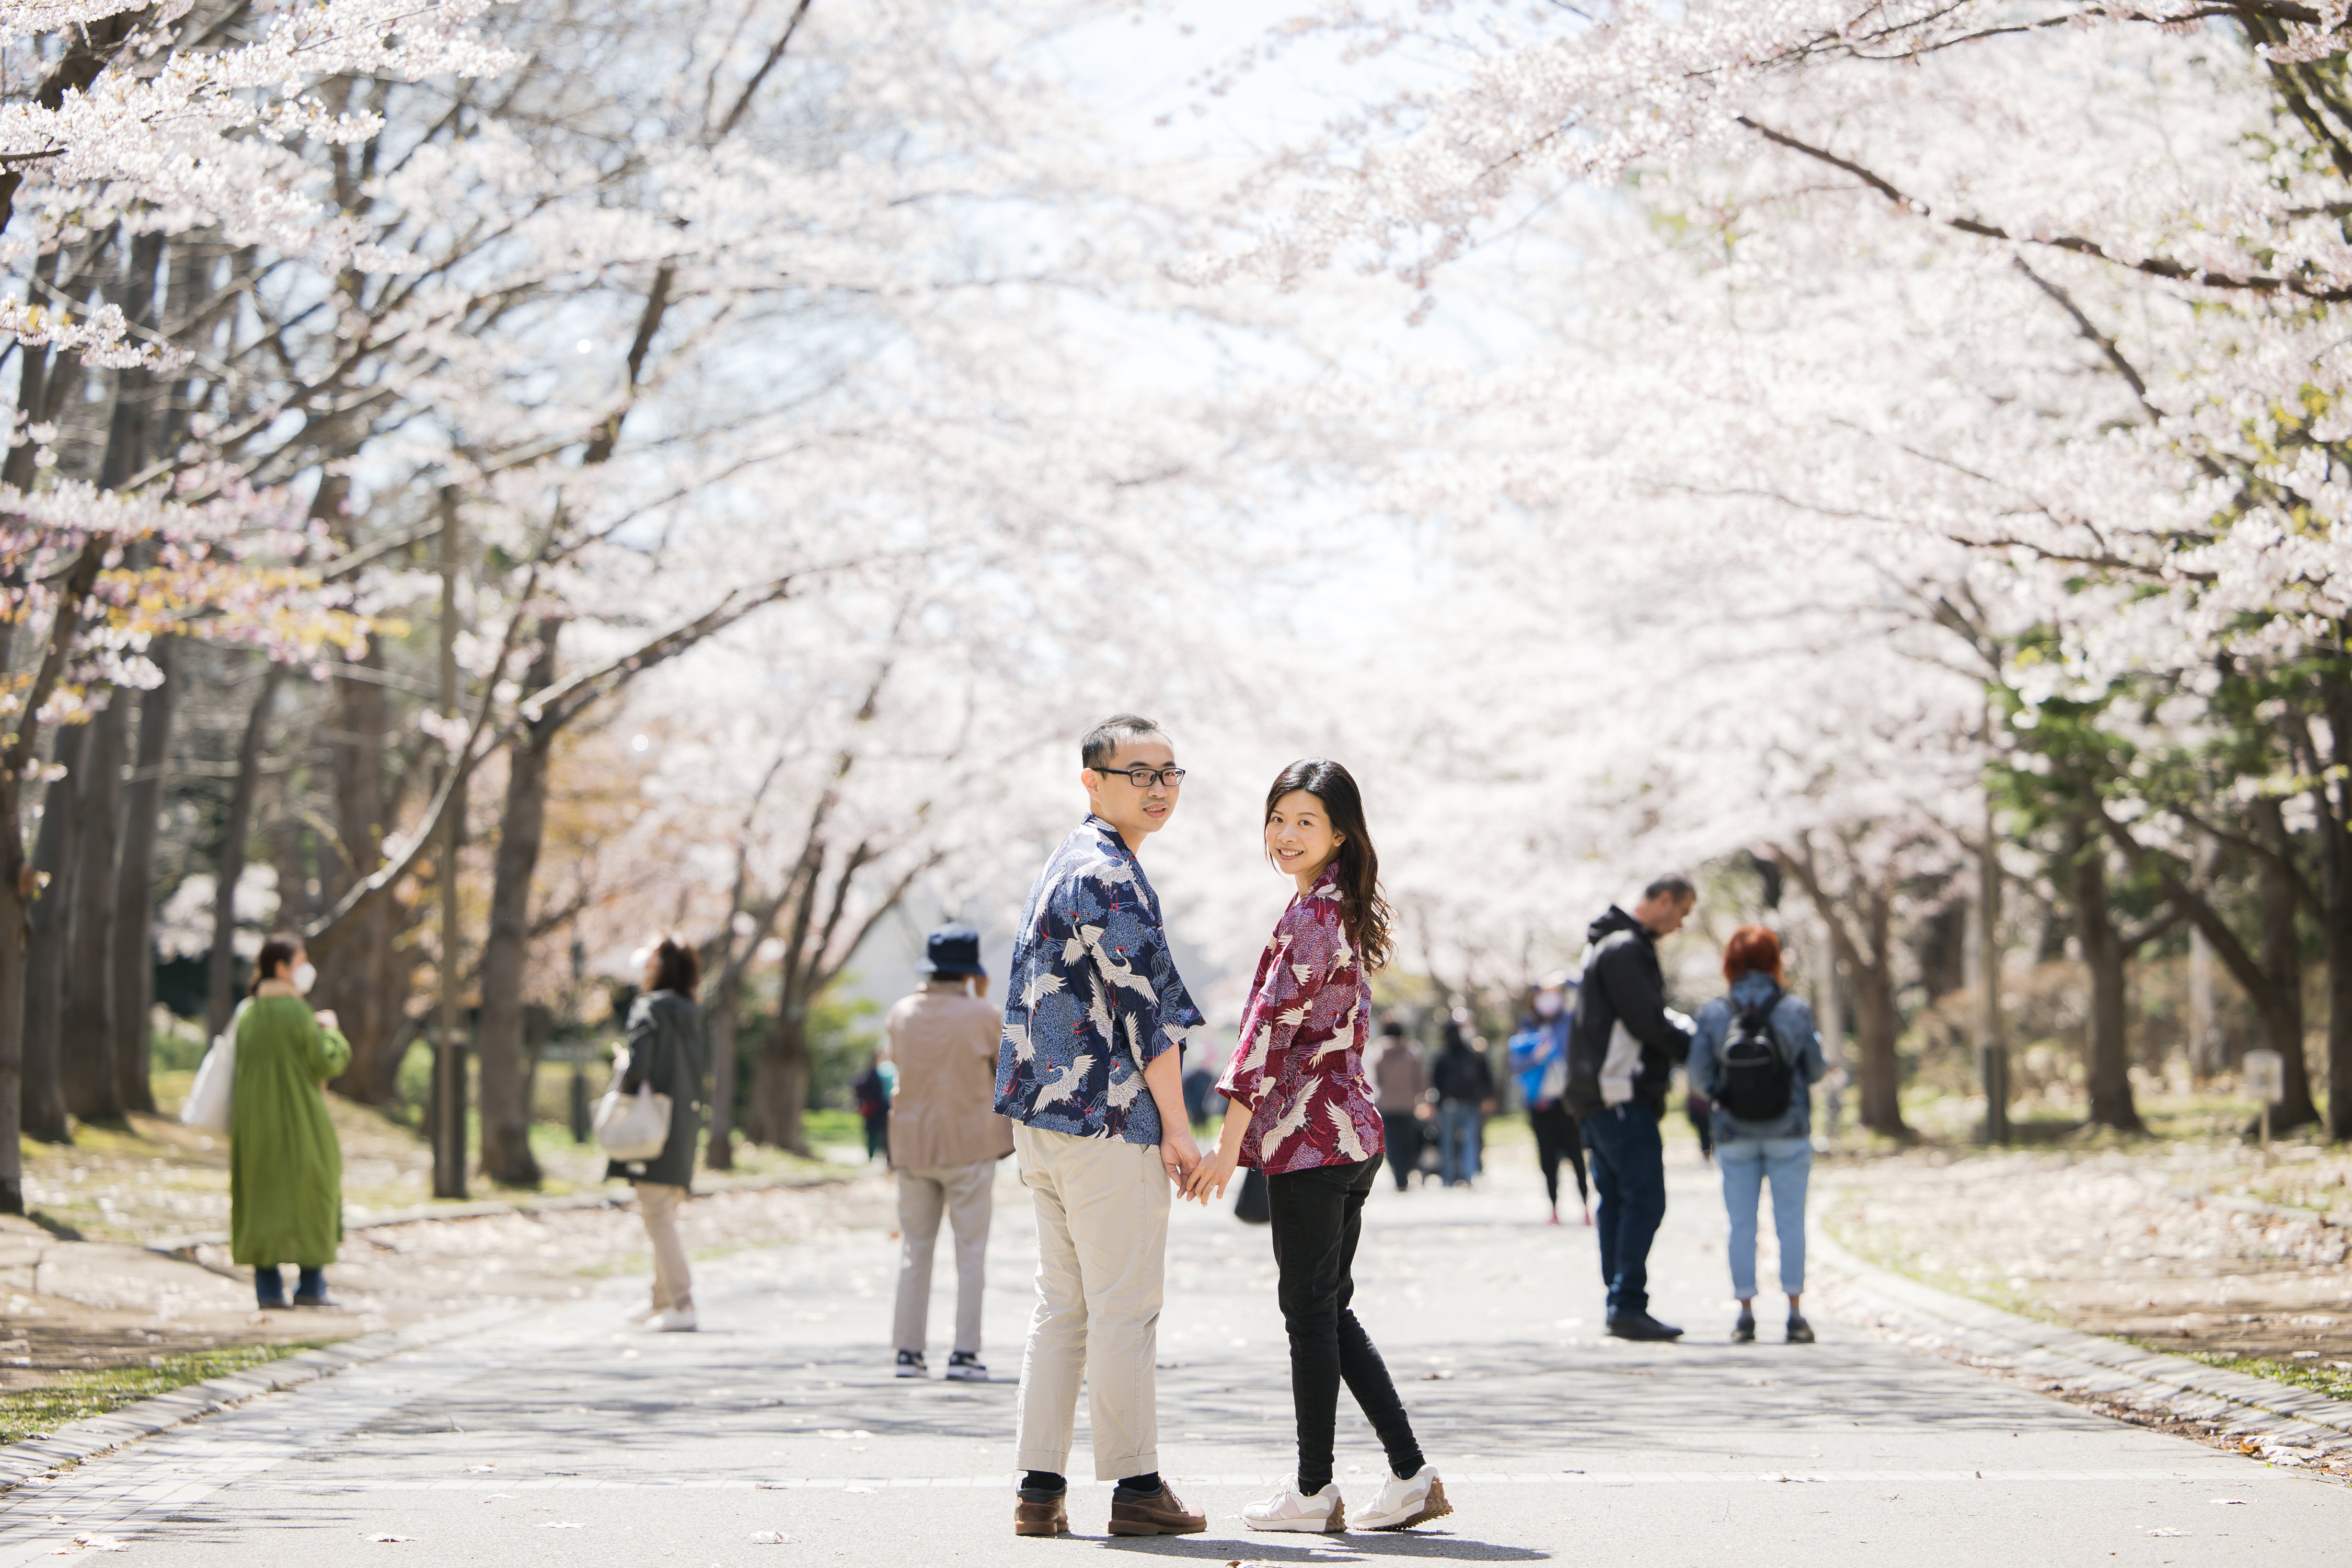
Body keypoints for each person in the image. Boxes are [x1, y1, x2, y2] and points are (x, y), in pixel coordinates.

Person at [1188, 759, 1448, 1535]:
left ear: (1340, 834)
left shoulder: (1314, 916)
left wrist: (1226, 1149)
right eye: (1278, 819)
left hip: (1312, 1141)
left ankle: (1313, 1491)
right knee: (1327, 1311)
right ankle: (1410, 1475)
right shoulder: (1335, 907)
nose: (1286, 834)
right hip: (1345, 1134)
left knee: (1310, 1316)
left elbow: (1264, 1040)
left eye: (1306, 821)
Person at [995, 714, 1206, 1540]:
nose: (1158, 789)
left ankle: (1039, 1492)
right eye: (1138, 774)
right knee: (1124, 1307)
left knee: (1064, 1306)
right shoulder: (1111, 875)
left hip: (1045, 1121)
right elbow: (1150, 1017)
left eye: (1169, 773)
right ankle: (1137, 1487)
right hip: (1108, 1120)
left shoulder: (1065, 862)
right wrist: (1179, 1130)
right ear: (1092, 780)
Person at [1564, 876, 1698, 1341]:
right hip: (1619, 1094)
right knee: (1644, 1199)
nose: (1681, 924)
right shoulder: (1626, 949)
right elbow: (1647, 1022)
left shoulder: (1606, 944)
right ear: (1664, 900)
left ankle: (1619, 1300)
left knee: (1618, 1200)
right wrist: (1694, 1045)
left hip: (1596, 1096)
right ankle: (1626, 1303)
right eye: (1682, 912)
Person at [882, 923, 1014, 1382]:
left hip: (913, 1145)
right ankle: (964, 1353)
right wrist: (982, 998)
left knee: (915, 1250)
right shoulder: (985, 1016)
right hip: (970, 1145)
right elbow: (1004, 1071)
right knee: (970, 1251)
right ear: (971, 971)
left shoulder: (901, 1013)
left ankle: (908, 1352)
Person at [1686, 925, 1828, 1346]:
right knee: (1791, 1221)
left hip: (1733, 1132)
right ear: (1774, 961)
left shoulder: (1714, 1013)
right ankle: (1795, 1314)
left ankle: (1745, 1314)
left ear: (1730, 963)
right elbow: (1816, 1069)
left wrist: (1725, 1094)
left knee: (1741, 1223)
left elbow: (1698, 1079)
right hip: (1790, 1129)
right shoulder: (1795, 1010)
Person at [230, 934, 351, 1309]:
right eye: (300, 962)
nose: (306, 969)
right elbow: (326, 1062)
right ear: (281, 968)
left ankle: (267, 1289)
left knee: (261, 1198)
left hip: (254, 1125)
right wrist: (332, 1030)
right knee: (313, 1194)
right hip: (302, 1122)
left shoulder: (248, 1014)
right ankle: (311, 1284)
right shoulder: (297, 1013)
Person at [608, 935, 707, 1333]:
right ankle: (662, 1301)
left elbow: (639, 1066)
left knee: (658, 1215)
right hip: (684, 1122)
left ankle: (682, 1303)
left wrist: (623, 1066)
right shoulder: (691, 1011)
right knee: (664, 1211)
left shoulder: (649, 1008)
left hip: (651, 1123)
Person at [1507, 980, 1589, 1225]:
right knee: (1548, 1158)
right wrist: (1537, 1055)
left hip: (1569, 1102)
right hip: (1541, 1104)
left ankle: (1586, 1207)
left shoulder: (1570, 1022)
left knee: (1576, 1155)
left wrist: (1566, 981)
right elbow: (1516, 1064)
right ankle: (1554, 1208)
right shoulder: (1528, 1026)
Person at [1429, 1014, 1493, 1187]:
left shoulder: (1466, 1054)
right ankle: (1463, 1176)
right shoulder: (1466, 1053)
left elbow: (1436, 1081)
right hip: (1462, 1103)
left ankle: (1454, 1177)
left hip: (1459, 1104)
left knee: (1453, 1141)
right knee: (1465, 1141)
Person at [1367, 1019, 1428, 1193]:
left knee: (1392, 1143)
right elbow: (1421, 1080)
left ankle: (1399, 1176)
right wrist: (1422, 1098)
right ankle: (1406, 1172)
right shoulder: (1412, 1052)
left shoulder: (1378, 1053)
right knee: (1408, 1141)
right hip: (1408, 1105)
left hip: (1387, 1105)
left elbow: (1375, 1079)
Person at [854, 1055, 892, 1165]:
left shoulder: (877, 1073)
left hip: (876, 1109)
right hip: (879, 1108)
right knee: (879, 1133)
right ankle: (875, 1155)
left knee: (876, 1133)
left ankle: (873, 1155)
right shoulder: (878, 1074)